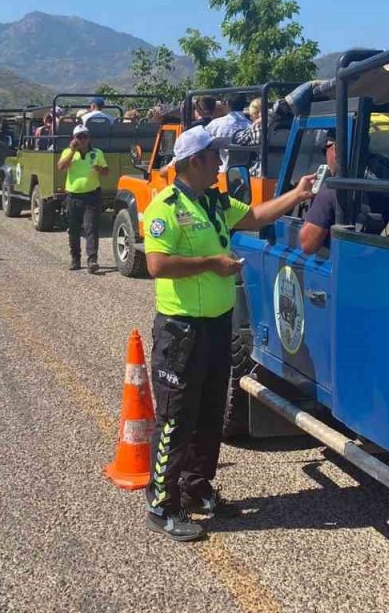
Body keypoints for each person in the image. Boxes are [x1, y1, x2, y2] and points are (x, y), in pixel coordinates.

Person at [141, 126, 318, 541]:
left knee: (209, 414)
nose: (219, 165)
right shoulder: (165, 206)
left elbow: (255, 216)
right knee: (176, 417)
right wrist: (211, 264)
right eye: (211, 157)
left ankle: (197, 490)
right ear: (192, 163)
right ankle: (161, 502)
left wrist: (297, 193)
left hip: (216, 324)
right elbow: (157, 265)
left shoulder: (215, 201)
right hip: (181, 329)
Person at [58, 125, 108, 272]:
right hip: (73, 197)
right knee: (73, 229)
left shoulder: (97, 153)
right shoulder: (68, 152)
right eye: (79, 137)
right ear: (74, 139)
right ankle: (75, 259)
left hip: (91, 196)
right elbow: (61, 166)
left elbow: (106, 171)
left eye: (85, 136)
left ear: (89, 138)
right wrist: (72, 151)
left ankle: (92, 260)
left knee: (90, 227)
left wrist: (100, 169)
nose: (82, 140)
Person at [206, 93, 251, 172]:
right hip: (245, 173)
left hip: (219, 172)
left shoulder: (215, 124)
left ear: (227, 103)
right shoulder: (250, 126)